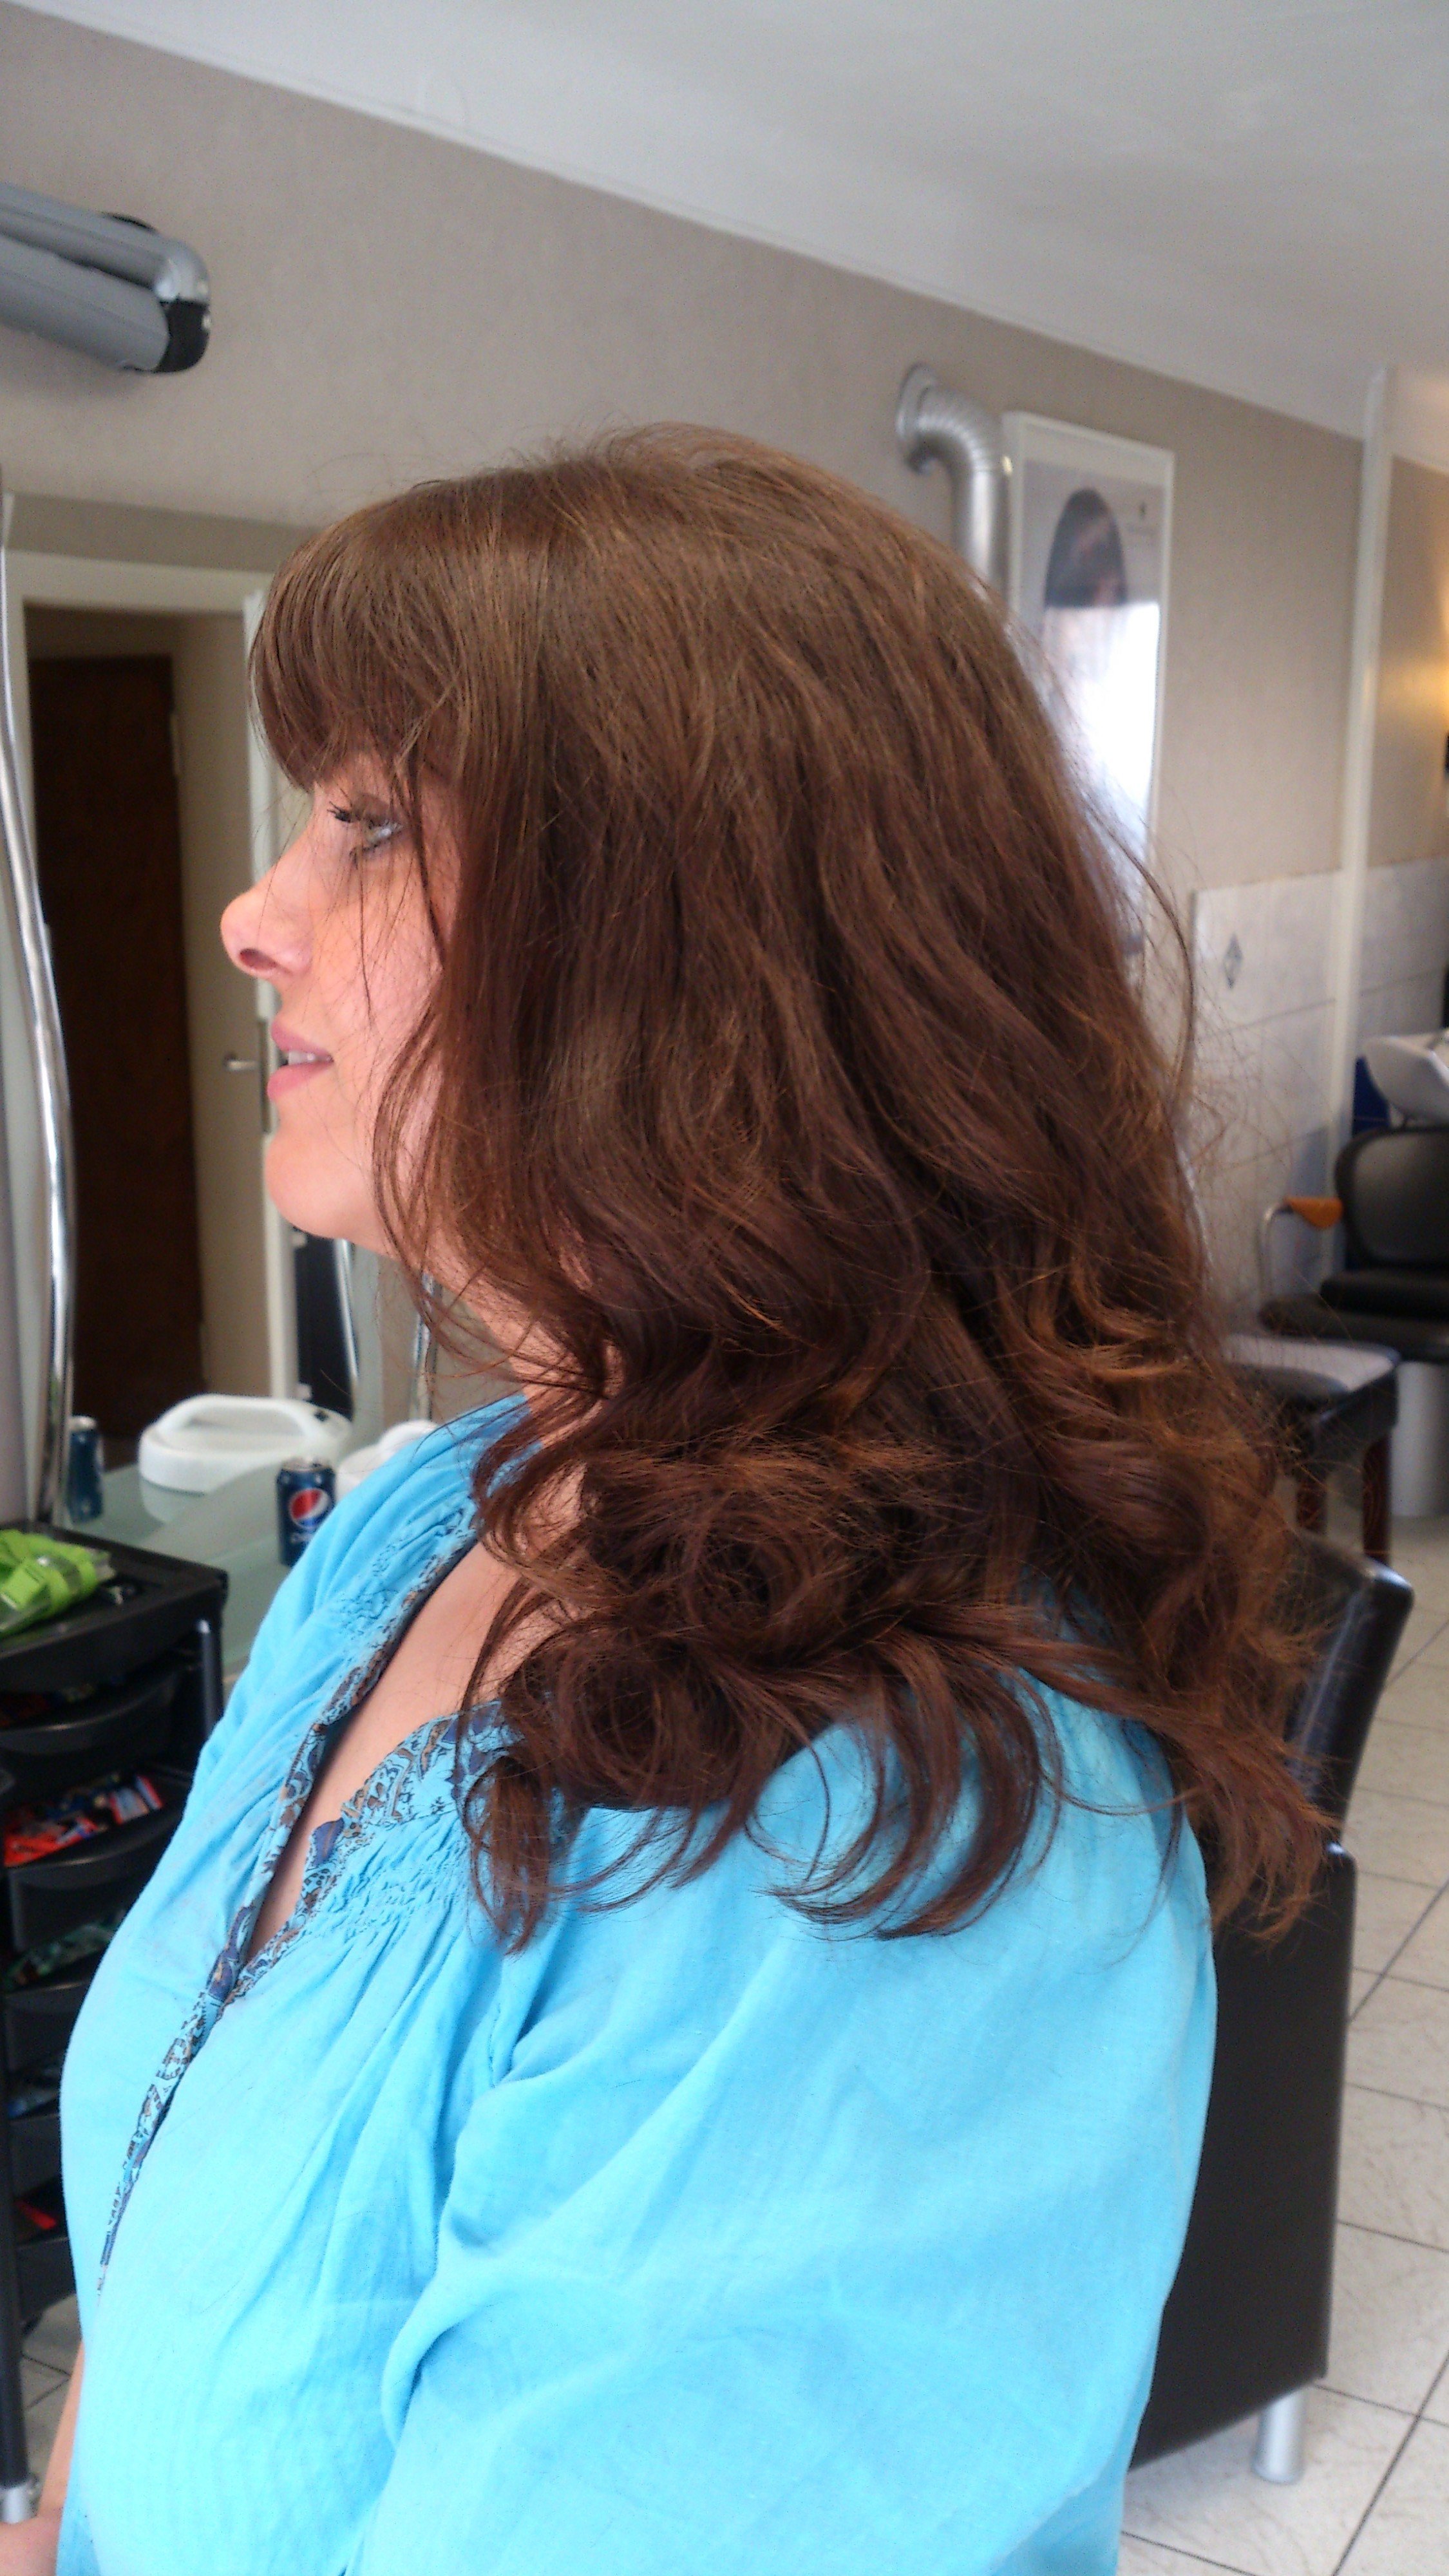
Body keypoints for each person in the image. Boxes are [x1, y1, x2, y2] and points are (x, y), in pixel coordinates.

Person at [13, 431, 1321, 2576]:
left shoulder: (878, 1838)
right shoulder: (431, 1523)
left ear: (686, 964)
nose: (254, 914)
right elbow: (174, 2197)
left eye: (367, 826)